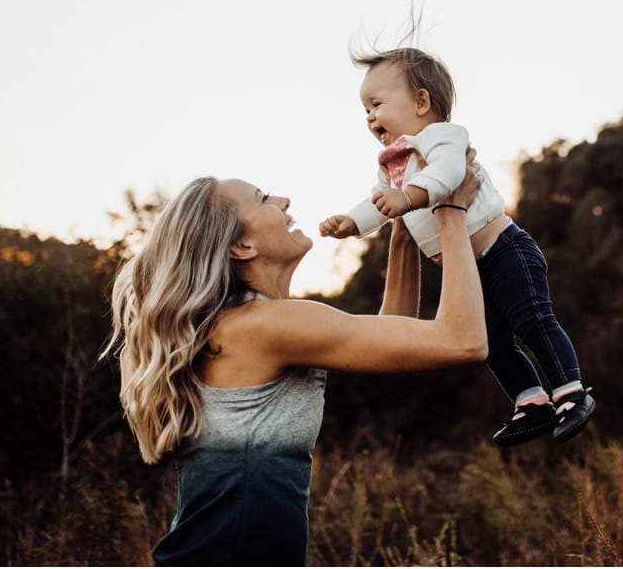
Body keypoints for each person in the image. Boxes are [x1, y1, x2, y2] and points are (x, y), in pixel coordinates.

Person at [101, 158, 486, 567]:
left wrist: (404, 235)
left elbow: (395, 335)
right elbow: (464, 342)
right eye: (263, 199)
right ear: (241, 246)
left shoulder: (241, 326)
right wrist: (450, 210)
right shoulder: (267, 326)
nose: (284, 200)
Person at [320, 46, 595, 447]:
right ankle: (531, 401)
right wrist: (353, 222)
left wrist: (408, 197)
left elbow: (449, 175)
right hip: (468, 268)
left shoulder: (442, 137)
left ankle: (570, 391)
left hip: (504, 250)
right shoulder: (394, 163)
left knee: (533, 320)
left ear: (421, 101)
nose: (371, 117)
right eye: (365, 110)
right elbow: (378, 201)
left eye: (377, 104)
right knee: (491, 343)